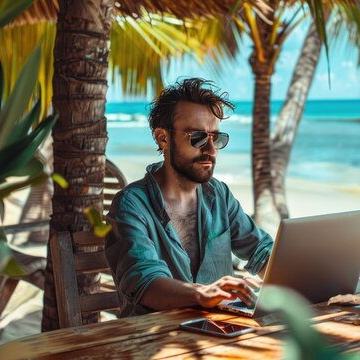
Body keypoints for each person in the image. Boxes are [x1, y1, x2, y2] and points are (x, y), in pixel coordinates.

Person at [105, 78, 273, 317]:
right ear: (163, 138)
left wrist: (302, 278)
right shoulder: (131, 205)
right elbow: (145, 283)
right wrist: (202, 294)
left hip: (221, 333)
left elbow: (262, 252)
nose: (211, 150)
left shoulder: (219, 196)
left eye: (216, 138)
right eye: (198, 138)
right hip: (153, 340)